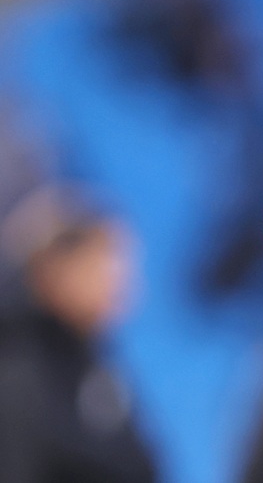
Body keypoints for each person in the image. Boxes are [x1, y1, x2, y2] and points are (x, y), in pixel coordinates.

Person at [0, 183, 157, 483]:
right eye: (103, 263)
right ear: (55, 271)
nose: (118, 279)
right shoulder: (18, 369)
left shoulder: (89, 362)